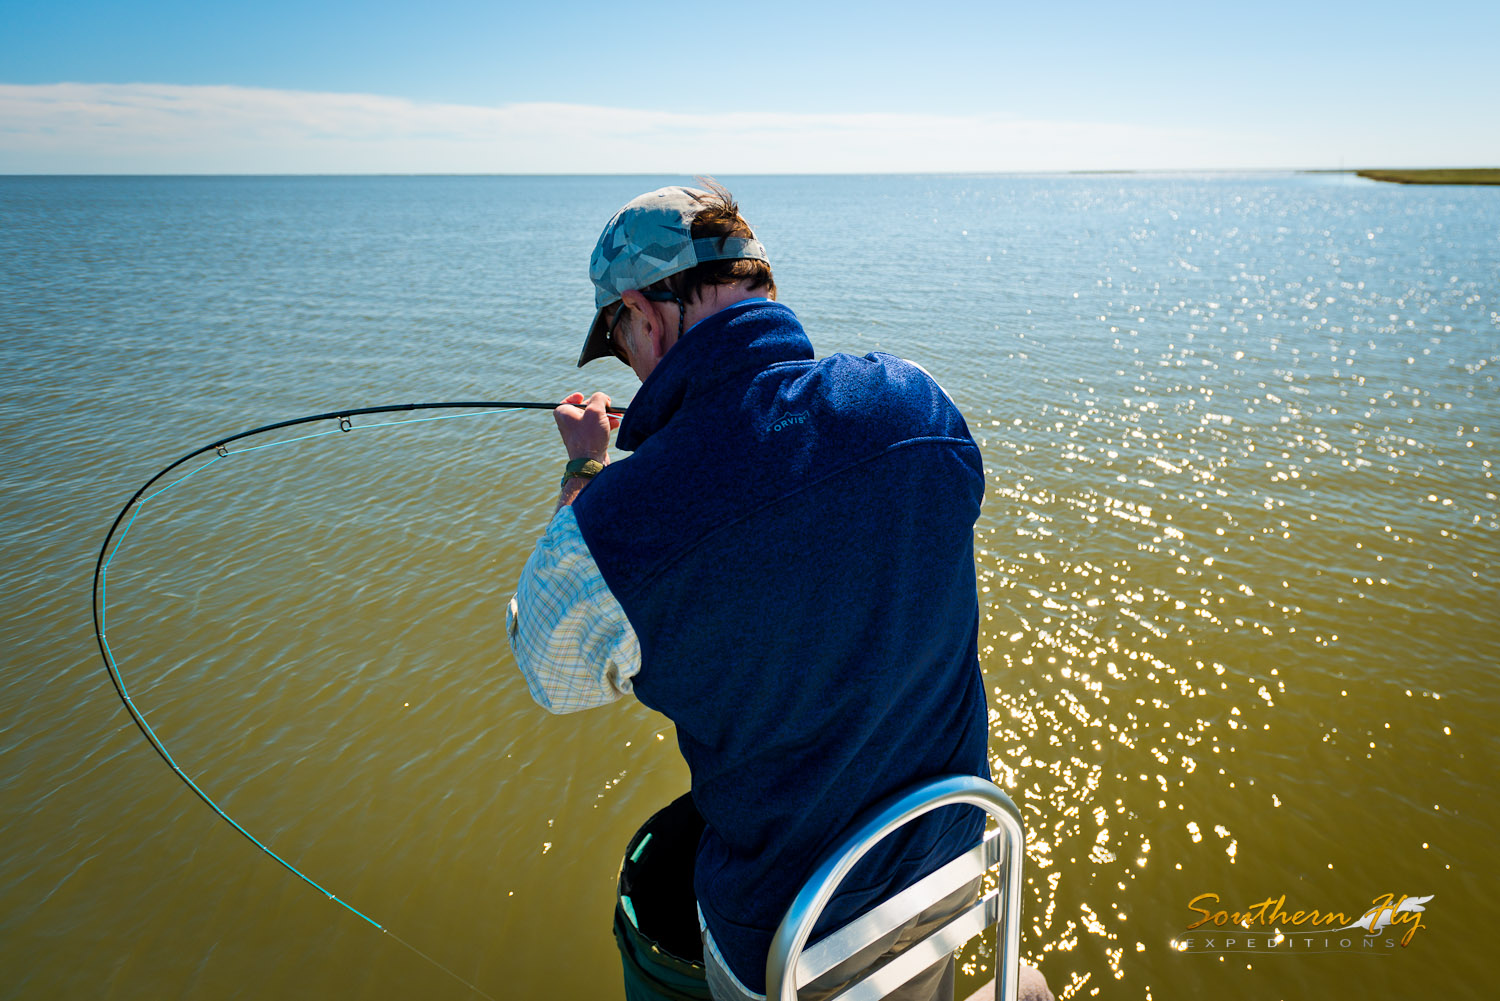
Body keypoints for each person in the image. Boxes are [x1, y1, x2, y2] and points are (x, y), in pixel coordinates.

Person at [506, 182, 992, 1001]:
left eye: (621, 339)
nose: (629, 359)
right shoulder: (914, 402)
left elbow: (549, 670)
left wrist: (587, 472)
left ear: (644, 314)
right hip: (949, 866)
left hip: (789, 942)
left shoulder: (624, 521)